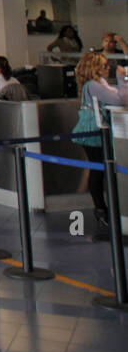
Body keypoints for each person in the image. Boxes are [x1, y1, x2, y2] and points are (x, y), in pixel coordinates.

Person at [73, 51, 128, 239]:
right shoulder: (94, 85)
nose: (108, 68)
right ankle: (102, 211)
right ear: (94, 69)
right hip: (93, 133)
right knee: (99, 170)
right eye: (104, 66)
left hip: (96, 132)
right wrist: (122, 79)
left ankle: (104, 210)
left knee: (99, 169)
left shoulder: (97, 85)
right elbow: (120, 99)